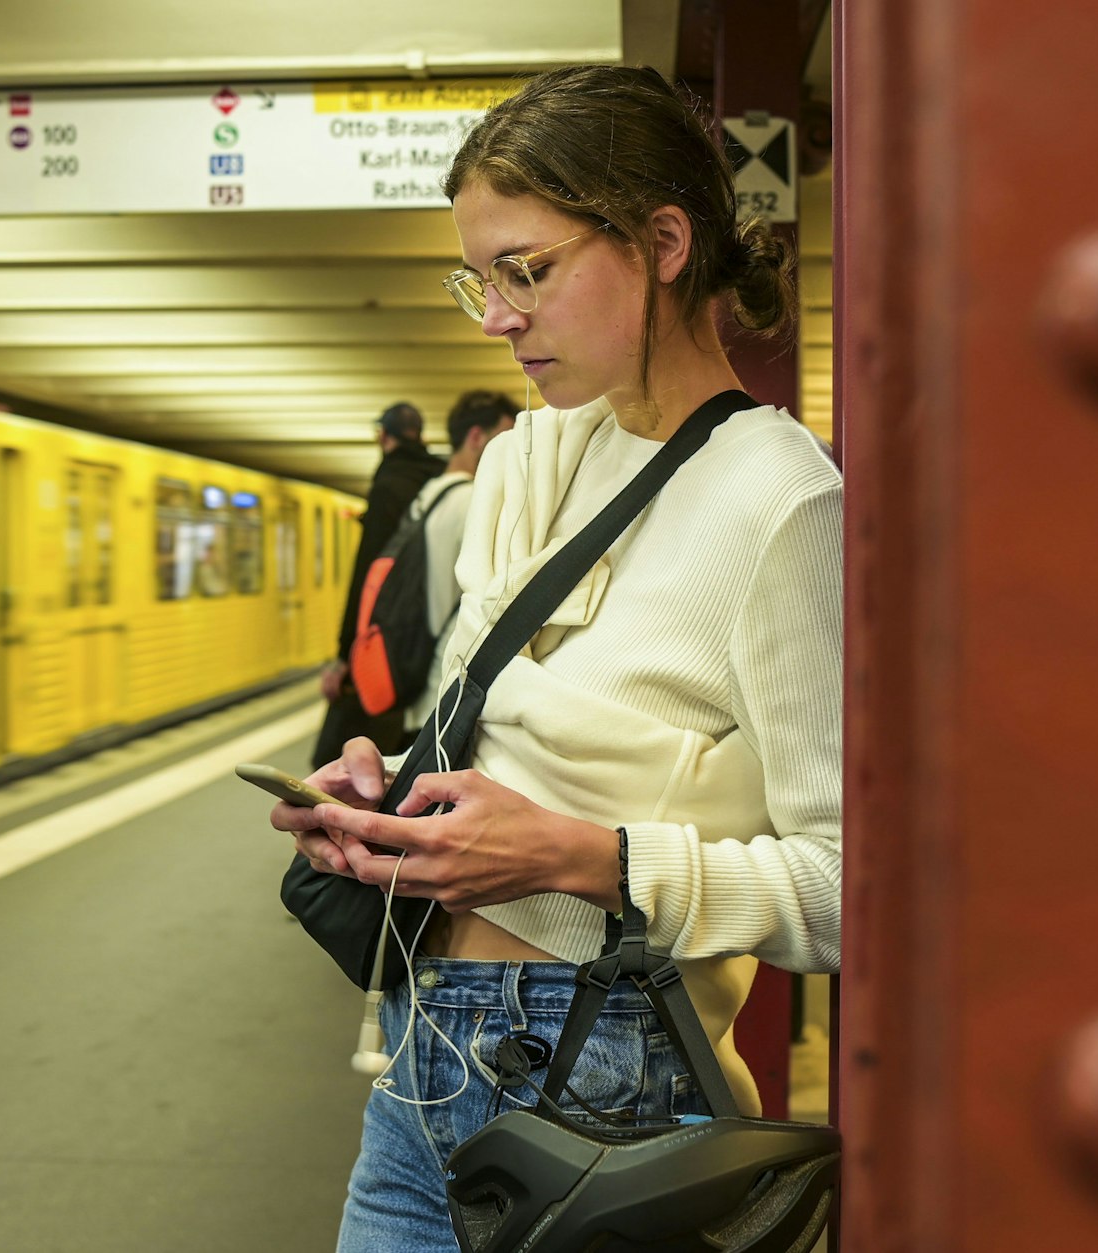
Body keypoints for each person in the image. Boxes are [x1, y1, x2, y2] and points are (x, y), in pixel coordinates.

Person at [270, 65, 841, 1251]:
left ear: (663, 241)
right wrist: (390, 806)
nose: (493, 316)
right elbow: (489, 726)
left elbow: (847, 890)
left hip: (608, 1087)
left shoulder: (781, 506)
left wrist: (585, 856)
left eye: (523, 271)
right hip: (427, 1057)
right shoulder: (534, 466)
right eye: (476, 278)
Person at [313, 401, 446, 766]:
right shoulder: (440, 480)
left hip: (387, 634)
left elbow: (369, 572)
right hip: (434, 632)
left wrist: (345, 655)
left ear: (382, 437)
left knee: (342, 756)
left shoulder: (389, 482)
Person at [400, 389, 518, 733]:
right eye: (504, 439)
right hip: (450, 684)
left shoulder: (426, 498)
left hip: (419, 677)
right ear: (477, 437)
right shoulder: (474, 502)